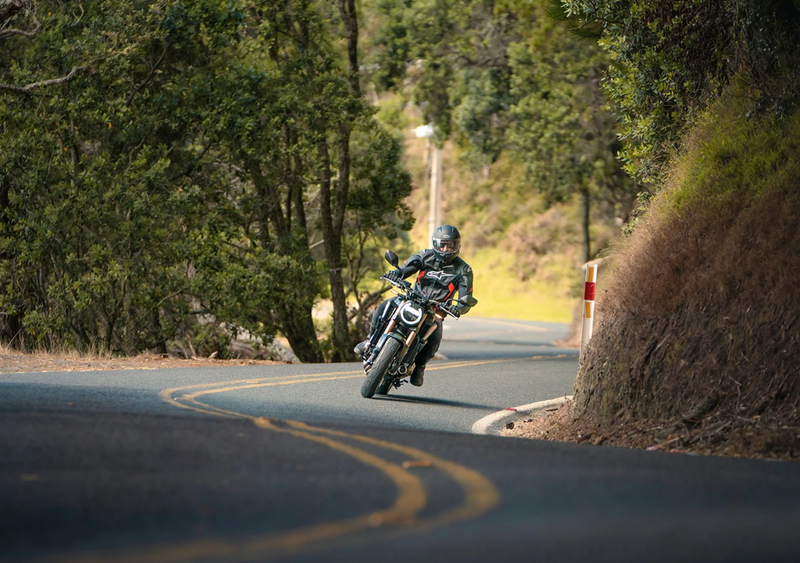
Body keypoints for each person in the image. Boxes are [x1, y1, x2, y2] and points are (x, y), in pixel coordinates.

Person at [354, 225, 475, 387]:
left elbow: (466, 296)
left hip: (435, 309)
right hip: (412, 299)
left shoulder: (463, 270)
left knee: (436, 332)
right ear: (435, 244)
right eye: (442, 244)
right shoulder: (425, 255)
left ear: (456, 245)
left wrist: (459, 307)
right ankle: (369, 342)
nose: (445, 248)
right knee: (386, 304)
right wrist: (396, 274)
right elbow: (408, 268)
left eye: (449, 245)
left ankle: (420, 366)